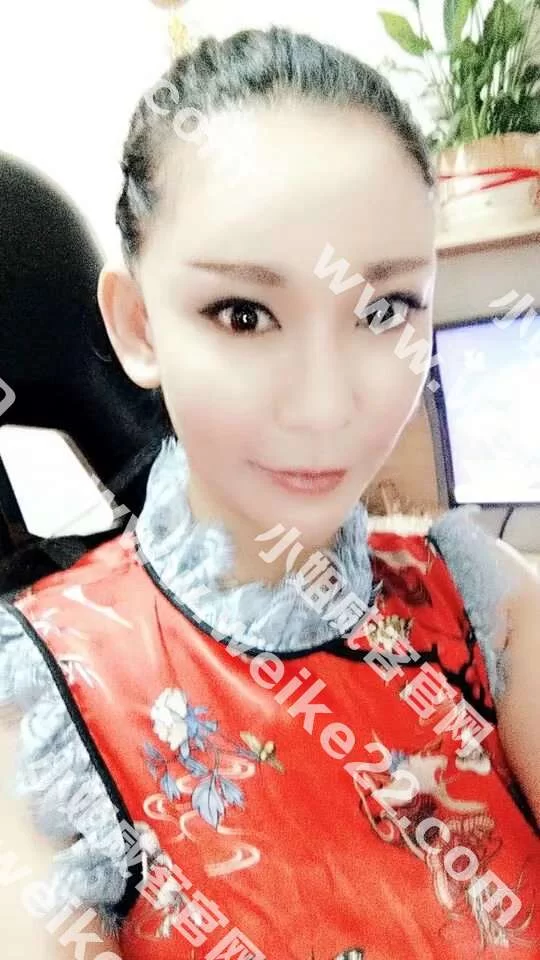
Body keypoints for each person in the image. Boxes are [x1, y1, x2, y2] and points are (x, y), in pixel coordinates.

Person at [0, 25, 538, 960]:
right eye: (243, 315)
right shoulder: (35, 709)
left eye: (383, 309)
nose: (325, 405)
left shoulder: (486, 603)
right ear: (139, 326)